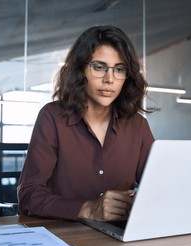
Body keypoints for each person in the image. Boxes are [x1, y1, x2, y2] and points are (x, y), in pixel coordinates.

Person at [17, 25, 155, 222]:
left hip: (119, 239)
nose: (109, 79)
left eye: (119, 69)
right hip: (66, 237)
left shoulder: (137, 125)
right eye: (99, 67)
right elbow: (29, 196)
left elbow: (159, 189)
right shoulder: (52, 117)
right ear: (80, 69)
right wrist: (88, 209)